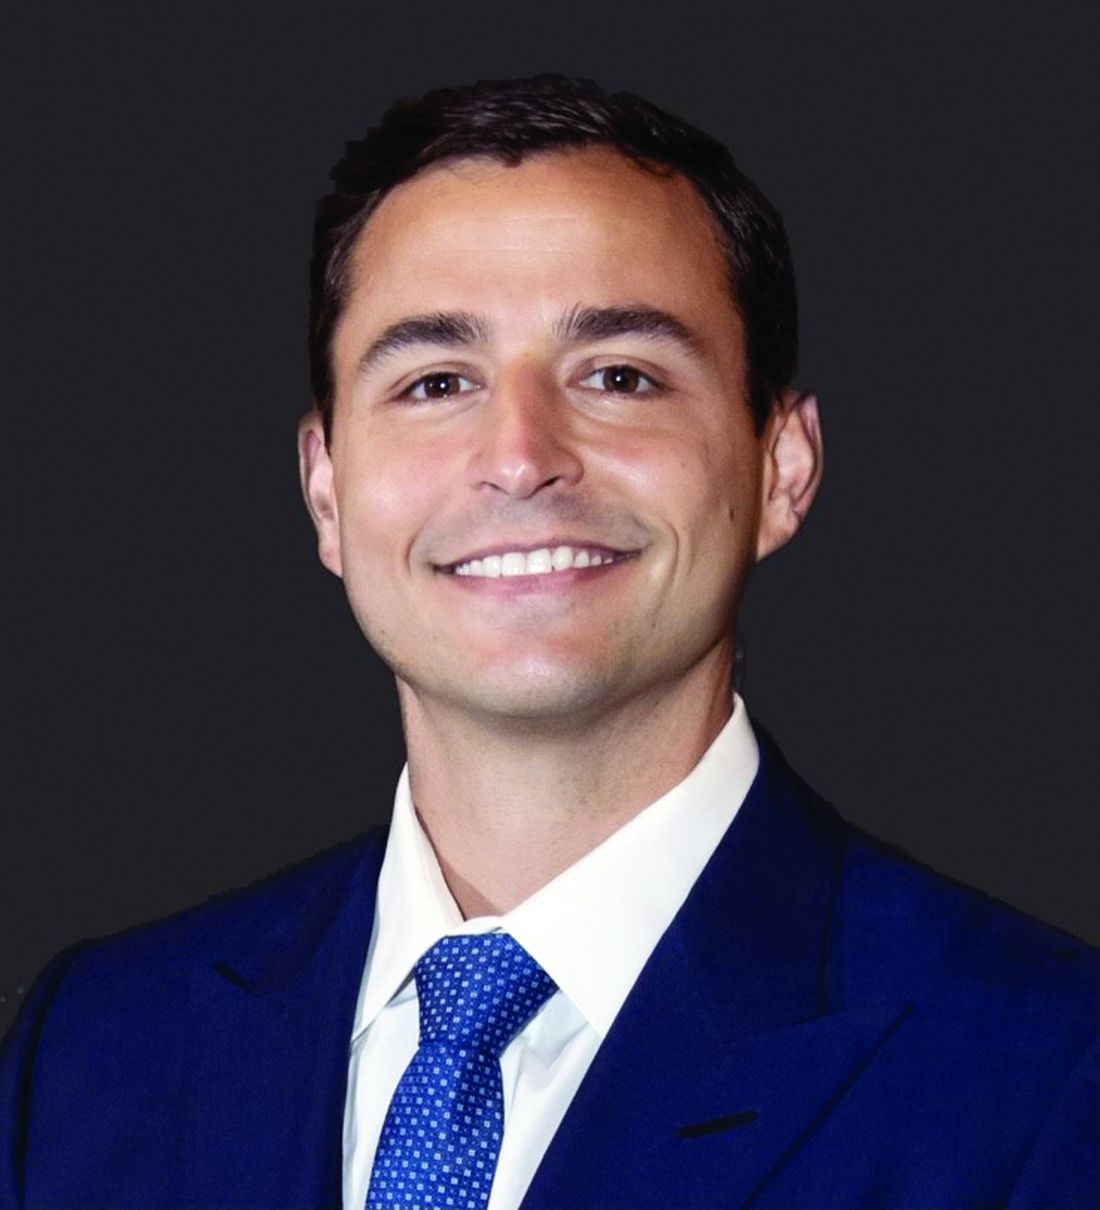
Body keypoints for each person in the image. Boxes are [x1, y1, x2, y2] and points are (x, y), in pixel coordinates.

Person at [1, 74, 1095, 1210]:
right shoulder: (90, 1049)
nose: (520, 457)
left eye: (619, 377)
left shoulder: (1050, 1075)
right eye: (435, 382)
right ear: (325, 487)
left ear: (781, 465)